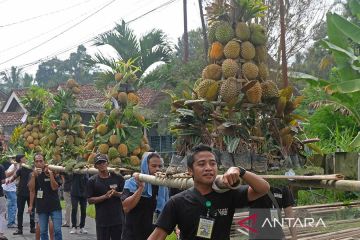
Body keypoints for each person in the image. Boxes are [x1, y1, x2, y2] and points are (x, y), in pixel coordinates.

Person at [148, 144, 270, 240]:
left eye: (213, 163)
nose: (208, 168)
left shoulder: (228, 194)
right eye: (201, 164)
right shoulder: (177, 202)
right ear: (190, 171)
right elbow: (158, 236)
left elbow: (263, 188)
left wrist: (240, 170)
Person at [121, 152, 169, 240]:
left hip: (152, 235)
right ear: (145, 166)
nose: (157, 169)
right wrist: (141, 188)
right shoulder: (132, 183)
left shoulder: (162, 186)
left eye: (160, 166)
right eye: (154, 166)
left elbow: (166, 210)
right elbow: (126, 207)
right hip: (132, 234)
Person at [87, 154, 125, 240]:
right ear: (95, 166)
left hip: (117, 220)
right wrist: (105, 196)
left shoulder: (118, 177)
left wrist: (116, 194)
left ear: (107, 163)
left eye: (103, 162)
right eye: (99, 163)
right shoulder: (92, 181)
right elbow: (90, 200)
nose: (102, 165)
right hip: (102, 221)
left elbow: (125, 194)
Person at [28, 153, 62, 240]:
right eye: (37, 161)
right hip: (41, 207)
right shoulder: (33, 174)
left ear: (44, 162)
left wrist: (50, 174)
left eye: (41, 161)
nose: (39, 163)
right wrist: (33, 176)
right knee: (43, 231)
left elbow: (55, 187)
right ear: (34, 163)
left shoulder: (53, 171)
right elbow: (31, 189)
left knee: (57, 230)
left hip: (54, 206)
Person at [10, 154, 36, 235]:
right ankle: (19, 229)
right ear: (21, 160)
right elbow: (14, 177)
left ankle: (32, 227)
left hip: (31, 192)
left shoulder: (31, 168)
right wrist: (10, 179)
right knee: (20, 211)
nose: (26, 159)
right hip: (21, 193)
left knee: (32, 210)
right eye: (24, 158)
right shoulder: (21, 169)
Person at [2, 156, 19, 228]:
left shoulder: (18, 166)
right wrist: (15, 169)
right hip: (9, 188)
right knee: (13, 205)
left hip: (11, 187)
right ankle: (11, 223)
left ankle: (10, 220)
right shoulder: (14, 166)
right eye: (24, 158)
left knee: (11, 205)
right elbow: (6, 174)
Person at [0, 164, 8, 240]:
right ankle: (1, 234)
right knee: (2, 213)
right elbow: (3, 181)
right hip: (0, 194)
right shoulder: (1, 167)